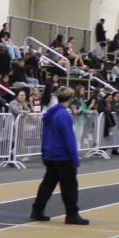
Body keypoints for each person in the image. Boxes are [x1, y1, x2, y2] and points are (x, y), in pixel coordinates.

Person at [29, 87, 89, 225]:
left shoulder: (51, 114)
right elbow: (69, 138)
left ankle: (37, 210)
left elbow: (45, 135)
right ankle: (72, 214)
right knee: (69, 186)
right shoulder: (63, 115)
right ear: (71, 98)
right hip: (63, 156)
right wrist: (74, 157)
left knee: (48, 184)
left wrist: (44, 152)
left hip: (50, 154)